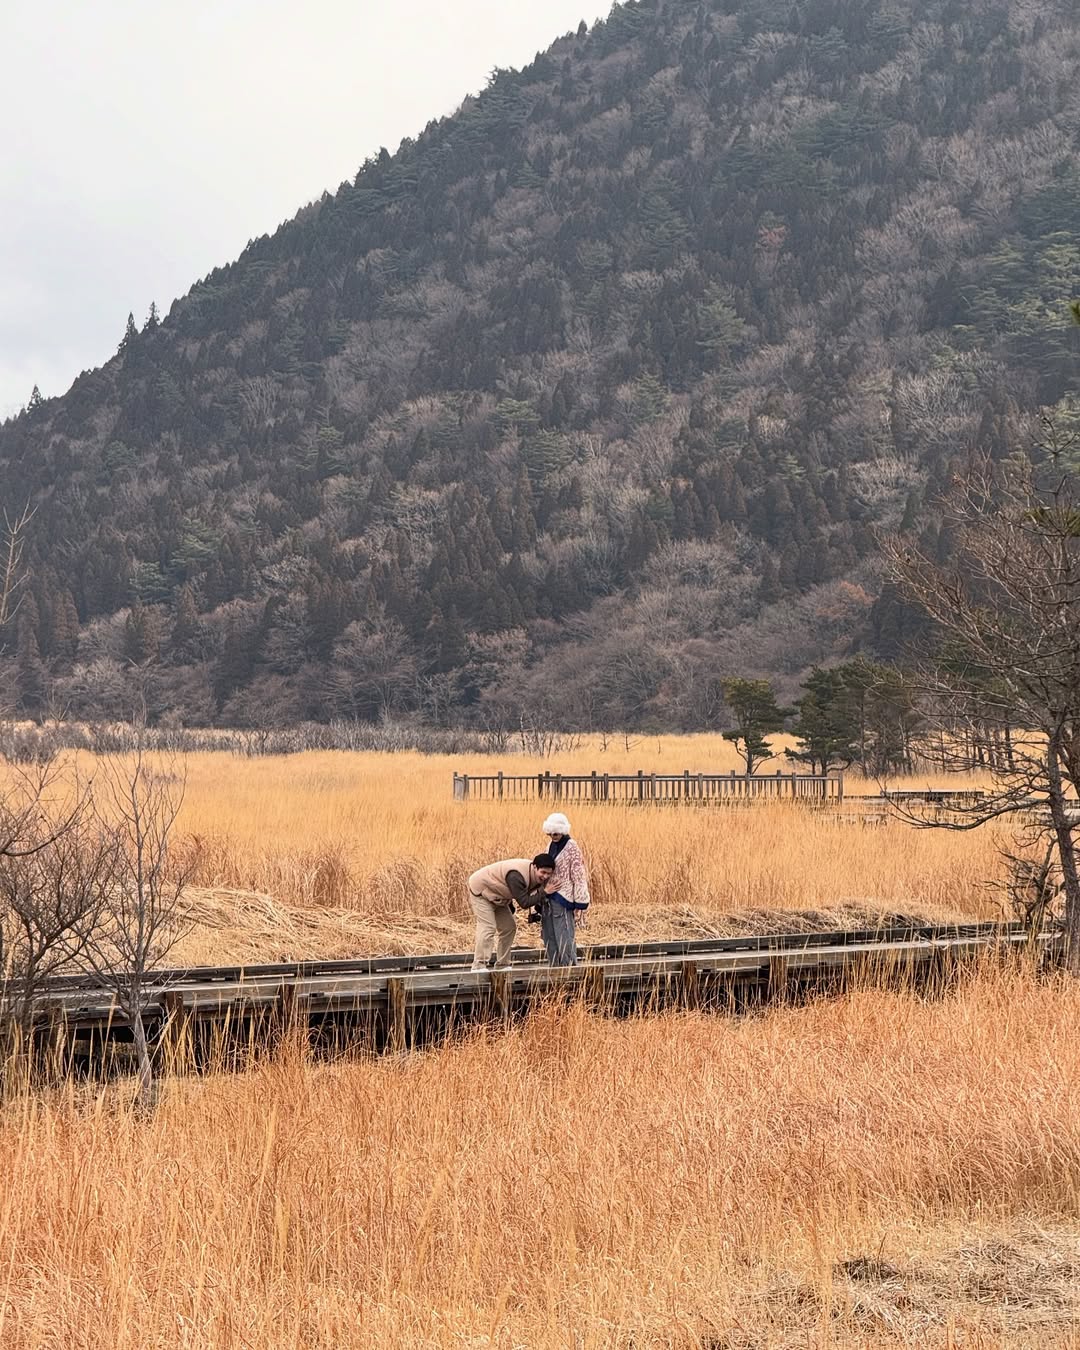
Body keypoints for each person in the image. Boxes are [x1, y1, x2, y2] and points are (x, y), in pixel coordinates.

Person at [466, 854, 555, 972]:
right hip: (481, 891)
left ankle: (502, 964)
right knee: (488, 927)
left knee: (509, 927)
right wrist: (545, 892)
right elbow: (524, 902)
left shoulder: (535, 876)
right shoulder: (516, 876)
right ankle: (479, 965)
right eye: (543, 872)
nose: (545, 876)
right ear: (534, 867)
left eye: (549, 874)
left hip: (498, 896)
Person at [535, 812, 591, 967]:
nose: (553, 835)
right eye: (551, 832)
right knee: (549, 935)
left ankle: (569, 970)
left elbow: (578, 875)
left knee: (564, 935)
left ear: (563, 830)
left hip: (564, 898)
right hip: (548, 896)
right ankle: (554, 969)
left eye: (556, 832)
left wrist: (580, 903)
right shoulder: (550, 845)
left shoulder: (571, 846)